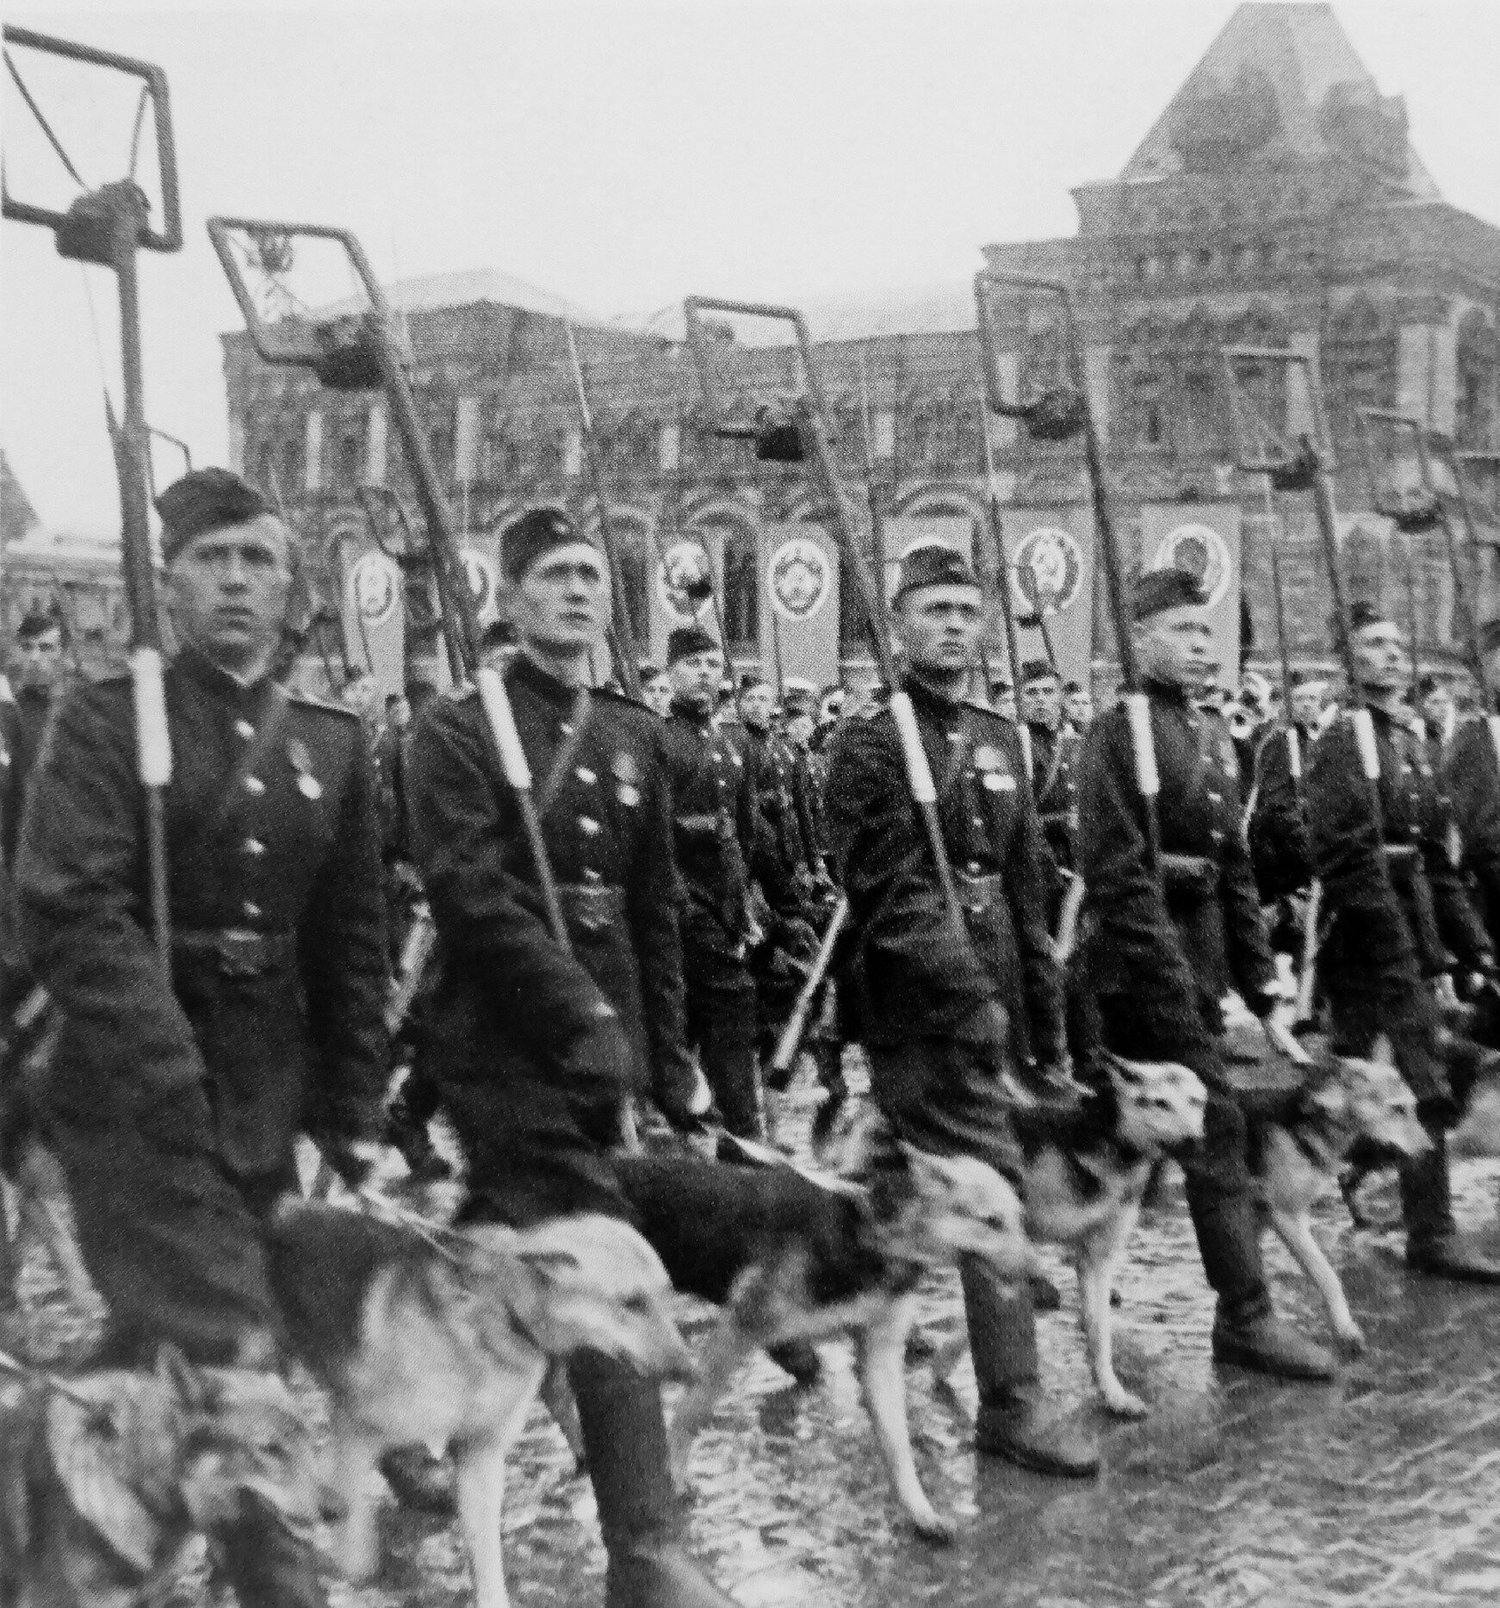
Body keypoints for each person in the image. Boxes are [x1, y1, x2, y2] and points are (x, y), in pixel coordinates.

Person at [15, 467, 388, 1607]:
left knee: (155, 1348)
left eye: (257, 559)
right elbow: (68, 905)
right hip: (134, 1100)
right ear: (168, 585)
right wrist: (162, 1052)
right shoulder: (102, 721)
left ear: (290, 586)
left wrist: (356, 1107)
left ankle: (44, 1525)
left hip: (263, 1097)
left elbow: (350, 936)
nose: (235, 580)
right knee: (236, 1351)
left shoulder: (330, 741)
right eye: (210, 559)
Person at [407, 507, 732, 1608]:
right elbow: (470, 896)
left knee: (503, 1248)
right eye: (553, 575)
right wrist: (578, 1014)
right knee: (599, 1261)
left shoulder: (631, 734)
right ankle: (644, 1545)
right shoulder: (458, 730)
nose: (579, 591)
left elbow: (654, 909)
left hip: (608, 1044)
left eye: (592, 574)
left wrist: (667, 1056)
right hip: (503, 1042)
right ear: (508, 598)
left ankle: (409, 1404)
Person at [825, 542, 1096, 1477]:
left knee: (917, 1183)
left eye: (966, 611)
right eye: (933, 610)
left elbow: (1027, 888)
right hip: (917, 1004)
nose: (952, 626)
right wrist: (966, 989)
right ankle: (1012, 1404)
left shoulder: (1001, 738)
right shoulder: (867, 744)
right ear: (897, 625)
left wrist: (1044, 1015)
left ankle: (853, 1303)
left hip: (998, 997)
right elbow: (884, 891)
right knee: (990, 1182)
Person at [1076, 566, 1336, 1380]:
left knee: (1139, 1136)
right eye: (1182, 630)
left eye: (1206, 630)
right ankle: (1245, 1318)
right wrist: (1173, 985)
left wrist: (1262, 990)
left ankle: (1097, 1264)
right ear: (1139, 639)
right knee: (1214, 1128)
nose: (1200, 645)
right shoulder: (1116, 733)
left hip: (1197, 965)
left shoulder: (1215, 734)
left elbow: (1235, 871)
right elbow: (1116, 876)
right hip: (1135, 970)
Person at [1308, 604, 1500, 1281]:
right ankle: (1431, 1232)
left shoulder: (1410, 740)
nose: (1391, 653)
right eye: (1372, 644)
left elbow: (1435, 860)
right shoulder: (1344, 739)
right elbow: (1345, 858)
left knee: (1387, 1076)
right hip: (1365, 940)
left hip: (1410, 927)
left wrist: (1475, 945)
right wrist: (1395, 950)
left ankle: (1366, 1163)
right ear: (1347, 660)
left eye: (1395, 642)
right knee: (1421, 1077)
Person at [661, 626, 764, 1138]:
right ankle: (737, 1127)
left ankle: (722, 1126)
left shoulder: (730, 745)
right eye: (692, 664)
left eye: (712, 664)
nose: (704, 674)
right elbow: (655, 837)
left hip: (724, 905)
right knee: (721, 1007)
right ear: (671, 672)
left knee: (715, 1017)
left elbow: (744, 831)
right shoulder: (661, 740)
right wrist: (683, 903)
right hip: (682, 903)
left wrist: (743, 901)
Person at [1, 606, 67, 871]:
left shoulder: (82, 712)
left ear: (64, 653)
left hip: (71, 848)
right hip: (21, 852)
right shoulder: (11, 712)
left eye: (46, 648)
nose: (35, 657)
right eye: (27, 647)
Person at [1019, 658, 1079, 929]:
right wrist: (1062, 821)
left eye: (1048, 691)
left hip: (1076, 857)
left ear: (1060, 697)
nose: (1041, 699)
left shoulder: (1075, 744)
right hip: (1038, 858)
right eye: (1032, 692)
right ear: (1020, 698)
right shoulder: (1017, 743)